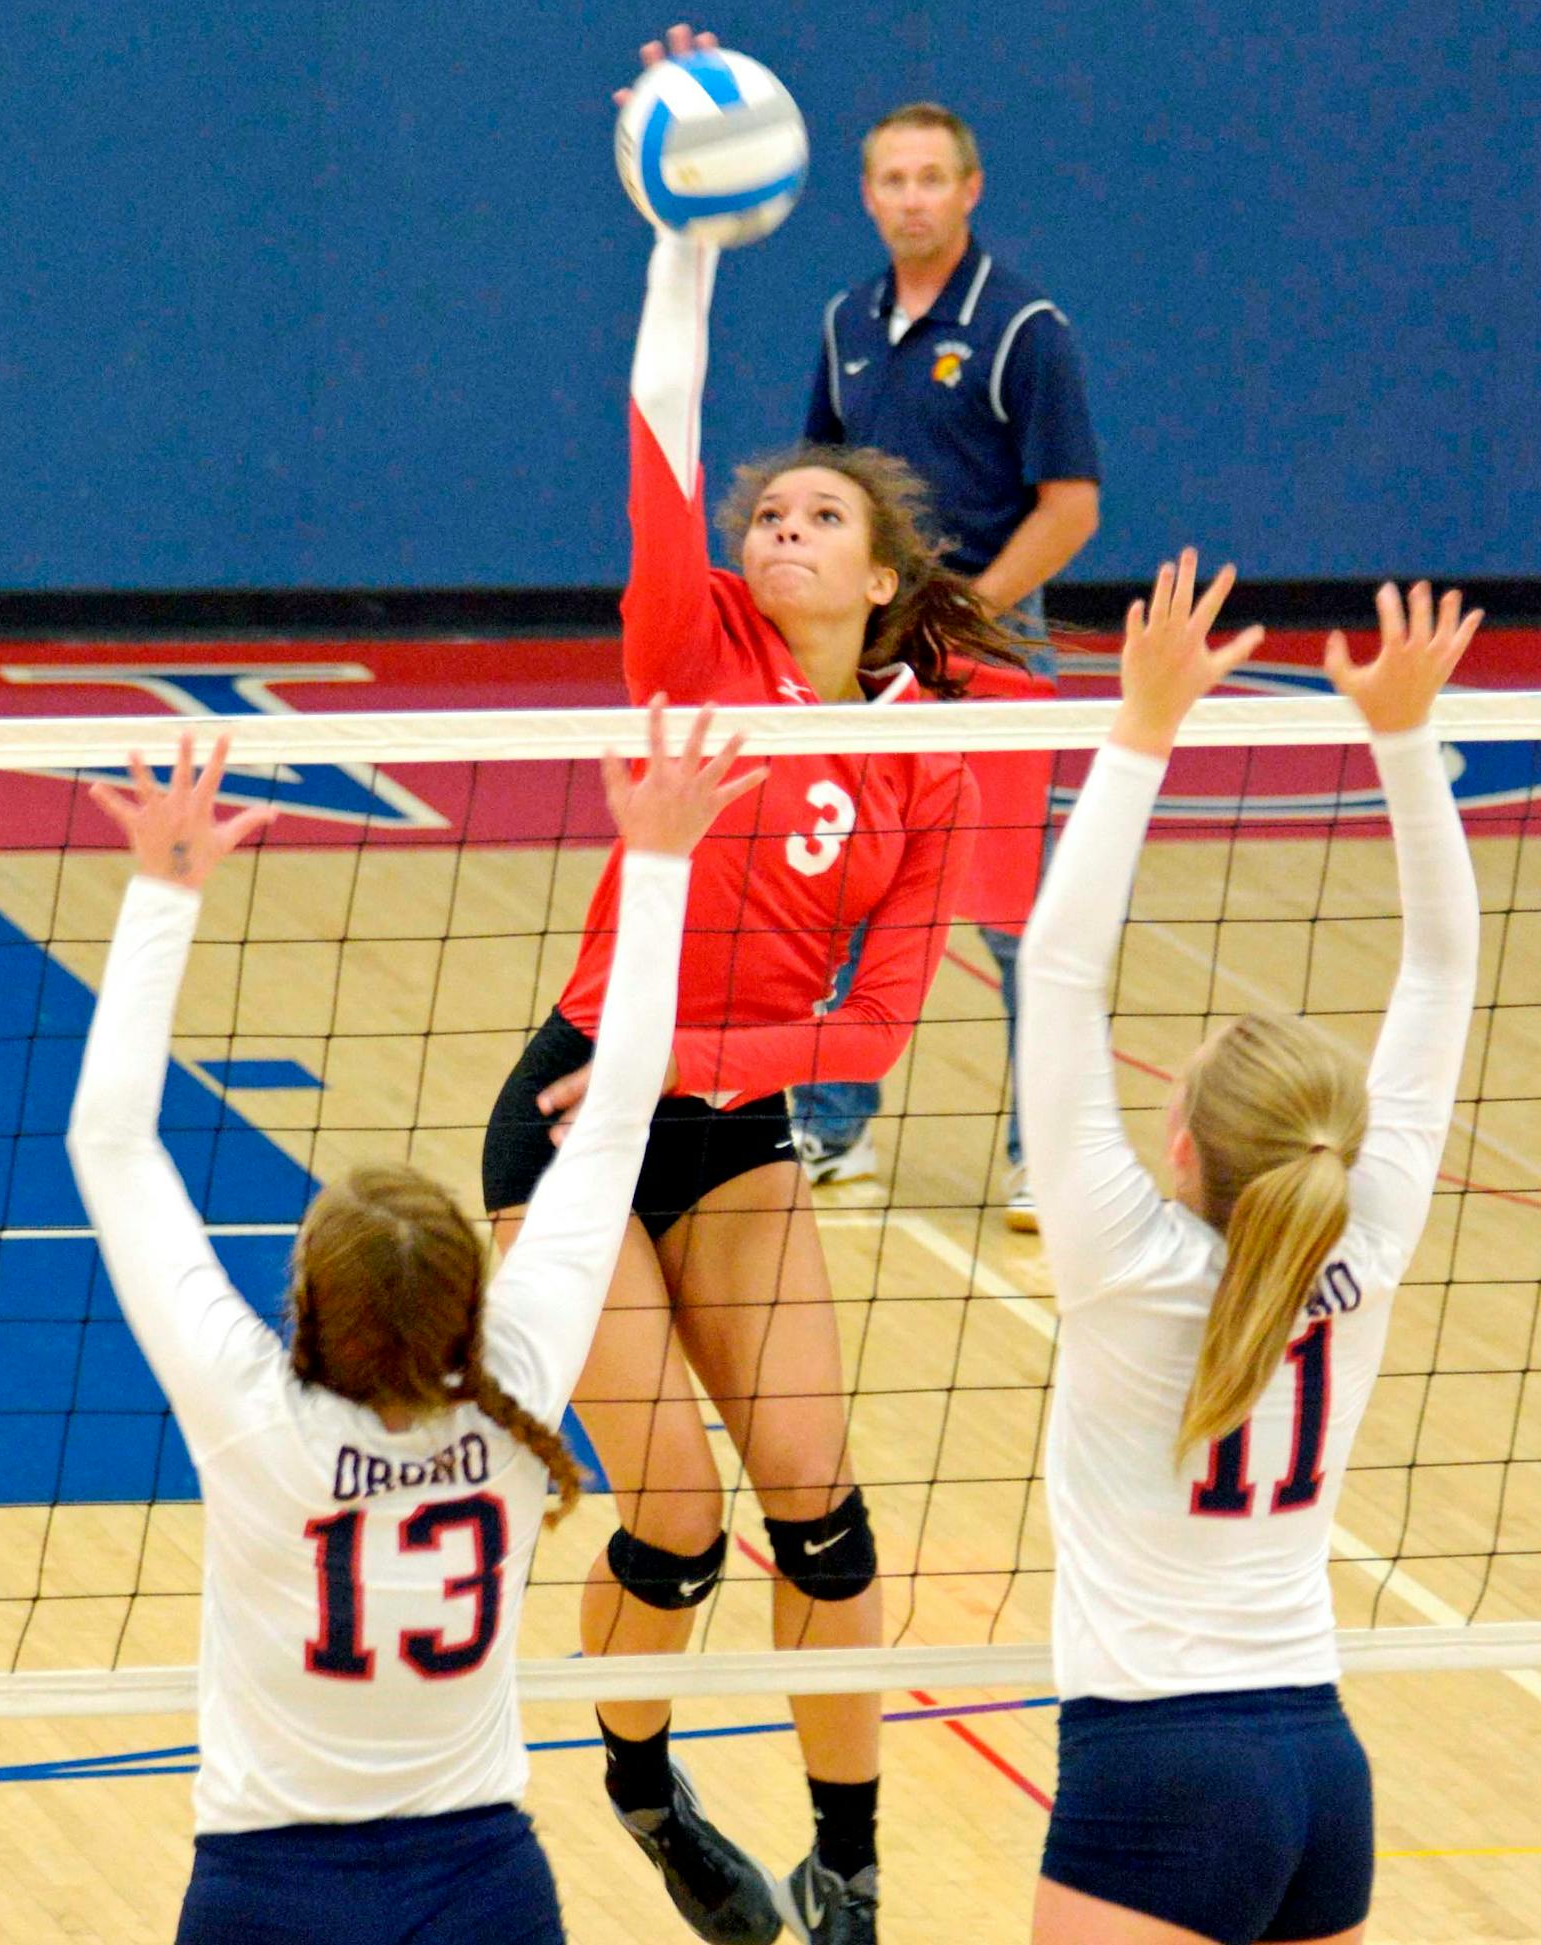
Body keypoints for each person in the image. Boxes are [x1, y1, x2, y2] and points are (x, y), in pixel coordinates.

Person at [482, 27, 1031, 1945]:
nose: (775, 524)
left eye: (818, 520)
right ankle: (639, 1788)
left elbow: (874, 1035)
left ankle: (854, 1868)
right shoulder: (681, 645)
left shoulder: (920, 759)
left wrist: (711, 1061)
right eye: (767, 514)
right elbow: (657, 408)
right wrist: (684, 242)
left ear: (883, 580)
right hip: (566, 1118)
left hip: (724, 1117)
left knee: (823, 1501)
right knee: (680, 1520)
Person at [66, 711, 758, 1945]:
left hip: (268, 1893)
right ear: (470, 1301)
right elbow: (613, 1130)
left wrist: (164, 891)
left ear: (309, 1301)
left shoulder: (253, 1416)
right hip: (478, 1885)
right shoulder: (520, 1385)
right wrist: (660, 861)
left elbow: (111, 1141)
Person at [1019, 558, 1482, 1945]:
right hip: (1321, 1771)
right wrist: (1404, 740)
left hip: (1157, 1779)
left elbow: (1054, 969)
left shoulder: (1123, 1261)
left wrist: (1139, 727)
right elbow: (1446, 969)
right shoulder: (1373, 1226)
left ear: (1181, 1151)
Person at [789, 100, 1101, 1232]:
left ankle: (1044, 1154)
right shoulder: (845, 324)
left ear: (970, 190)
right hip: (876, 661)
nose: (913, 196)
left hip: (993, 659)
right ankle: (828, 1128)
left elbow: (1071, 508)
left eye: (933, 178)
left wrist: (966, 613)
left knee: (1018, 916)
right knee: (851, 880)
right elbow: (821, 486)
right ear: (868, 196)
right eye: (893, 179)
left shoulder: (1025, 329)